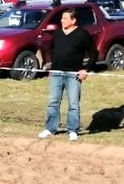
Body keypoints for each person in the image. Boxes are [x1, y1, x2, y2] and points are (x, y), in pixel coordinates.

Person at [38, 8, 98, 141]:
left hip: (73, 75)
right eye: (62, 18)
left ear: (73, 20)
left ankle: (73, 130)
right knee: (53, 102)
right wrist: (52, 68)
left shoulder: (82, 34)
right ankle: (50, 128)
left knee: (73, 104)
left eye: (65, 18)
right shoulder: (58, 33)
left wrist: (86, 69)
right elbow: (52, 50)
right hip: (57, 73)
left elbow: (94, 53)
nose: (62, 20)